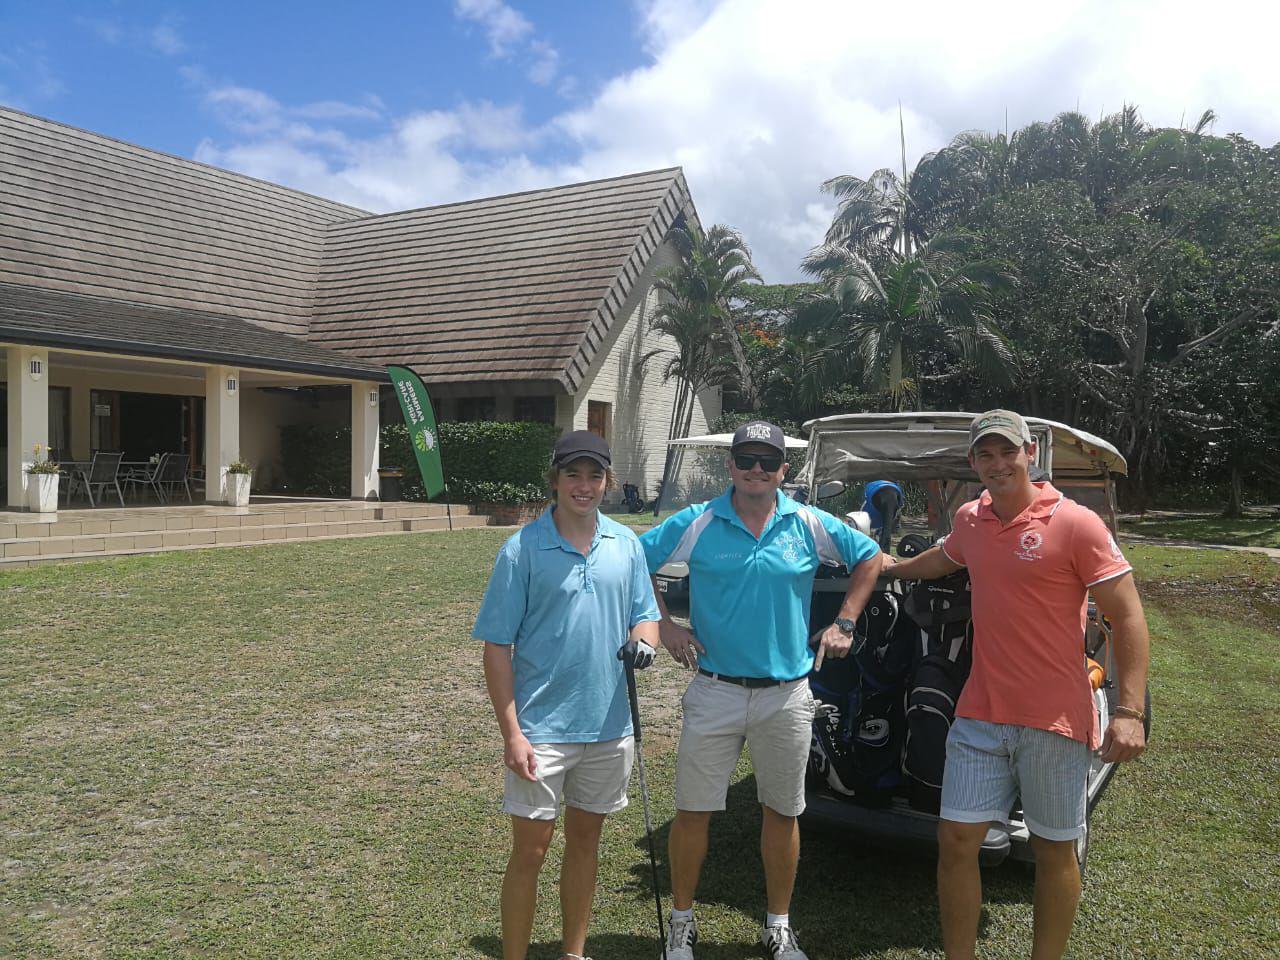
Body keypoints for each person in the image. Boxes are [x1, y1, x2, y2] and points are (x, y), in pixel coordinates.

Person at [883, 410, 1150, 960]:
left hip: (1054, 717)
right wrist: (893, 565)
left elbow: (1127, 617)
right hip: (980, 712)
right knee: (956, 841)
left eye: (1008, 451)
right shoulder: (971, 519)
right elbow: (944, 558)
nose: (998, 463)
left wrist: (1129, 711)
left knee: (1055, 850)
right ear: (975, 462)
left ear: (1031, 454)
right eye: (986, 454)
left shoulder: (1075, 523)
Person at [640, 420, 882, 960]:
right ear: (730, 466)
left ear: (783, 470)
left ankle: (778, 925)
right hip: (715, 689)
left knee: (782, 811)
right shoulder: (699, 521)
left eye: (767, 461)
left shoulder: (808, 523)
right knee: (693, 811)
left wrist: (845, 619)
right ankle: (682, 923)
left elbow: (870, 557)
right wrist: (665, 624)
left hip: (787, 694)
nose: (756, 469)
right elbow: (635, 561)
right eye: (746, 459)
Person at [475, 430, 661, 960]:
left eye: (594, 475)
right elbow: (496, 647)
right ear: (554, 479)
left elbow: (643, 613)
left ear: (607, 481)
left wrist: (643, 641)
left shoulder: (626, 545)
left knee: (585, 846)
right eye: (573, 474)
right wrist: (512, 734)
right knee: (530, 852)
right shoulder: (522, 551)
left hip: (608, 727)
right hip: (541, 732)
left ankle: (573, 954)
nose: (584, 486)